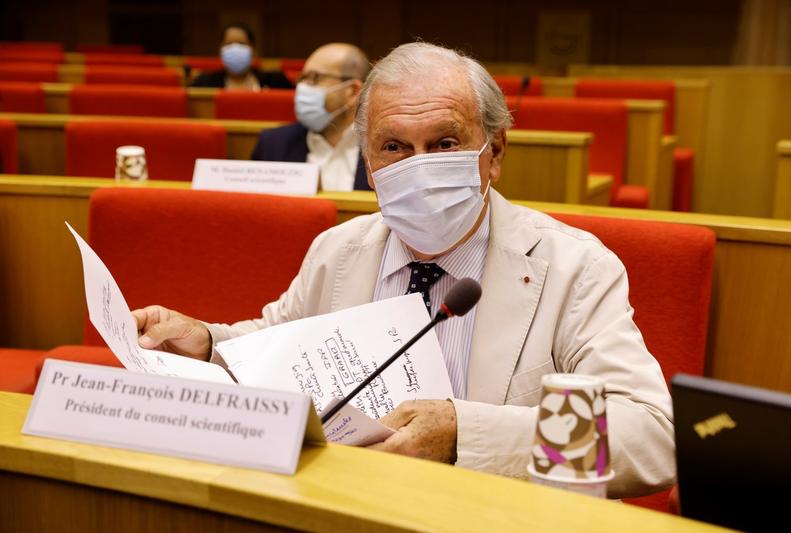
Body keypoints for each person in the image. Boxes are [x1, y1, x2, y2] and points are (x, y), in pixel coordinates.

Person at [134, 43, 675, 498]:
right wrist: (207, 342)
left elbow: (650, 436)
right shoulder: (337, 251)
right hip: (345, 503)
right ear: (367, 165)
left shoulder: (574, 267)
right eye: (393, 147)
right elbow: (275, 344)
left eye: (444, 143)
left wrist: (467, 433)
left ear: (495, 152)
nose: (418, 165)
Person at [250, 43, 371, 192]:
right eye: (302, 79)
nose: (302, 88)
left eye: (314, 78)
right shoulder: (272, 145)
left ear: (353, 91)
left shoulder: (385, 150)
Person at [190, 23, 293, 90]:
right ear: (220, 50)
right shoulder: (204, 83)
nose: (235, 48)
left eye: (241, 43)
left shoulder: (275, 81)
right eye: (229, 44)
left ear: (253, 49)